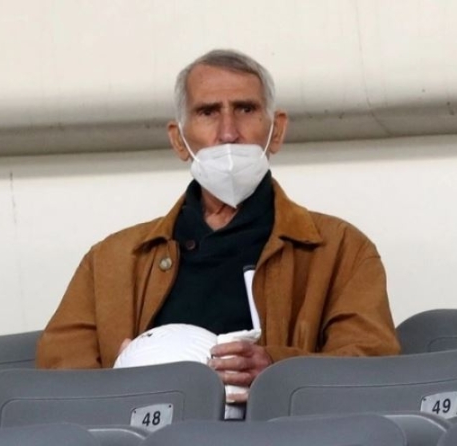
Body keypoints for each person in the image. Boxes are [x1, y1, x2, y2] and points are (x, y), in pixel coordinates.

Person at [36, 49, 400, 401]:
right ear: (179, 139)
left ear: (276, 131)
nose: (228, 133)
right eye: (208, 112)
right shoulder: (110, 262)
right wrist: (122, 382)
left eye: (245, 109)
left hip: (279, 432)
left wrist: (277, 370)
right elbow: (59, 380)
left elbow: (371, 368)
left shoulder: (341, 250)